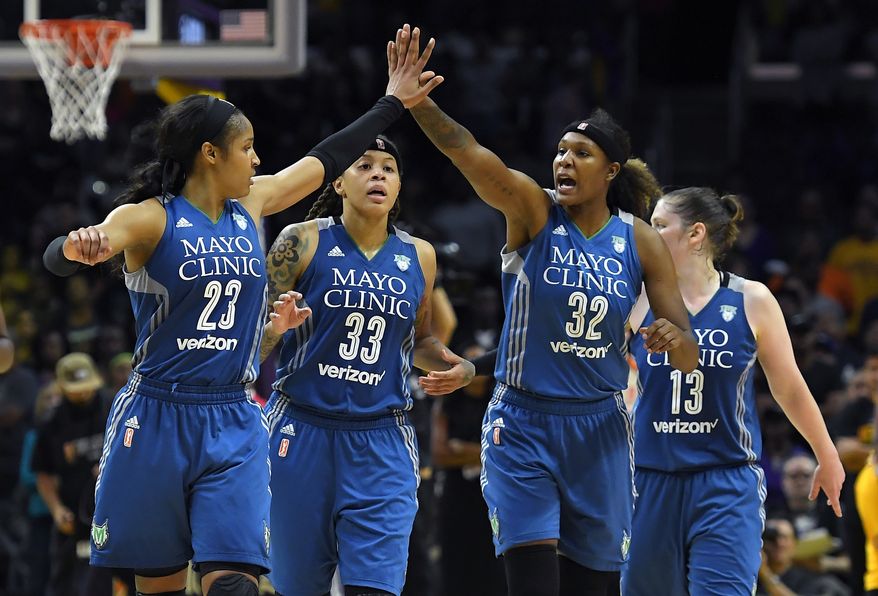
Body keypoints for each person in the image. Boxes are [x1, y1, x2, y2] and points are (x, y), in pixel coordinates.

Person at [41, 24, 442, 596]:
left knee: (235, 582)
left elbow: (326, 159)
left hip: (232, 414)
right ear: (210, 154)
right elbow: (71, 251)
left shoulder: (252, 204)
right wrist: (77, 247)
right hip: (157, 412)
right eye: (247, 148)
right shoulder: (151, 218)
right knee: (158, 584)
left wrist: (392, 103)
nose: (257, 158)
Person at [408, 78, 699, 594]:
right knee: (533, 581)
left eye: (581, 154)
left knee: (594, 587)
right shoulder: (533, 211)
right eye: (560, 151)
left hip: (600, 431)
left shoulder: (640, 240)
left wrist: (669, 338)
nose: (563, 162)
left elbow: (688, 353)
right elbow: (468, 152)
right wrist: (417, 103)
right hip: (522, 425)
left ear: (610, 171)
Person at [260, 131, 474, 596]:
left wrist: (459, 366)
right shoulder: (300, 241)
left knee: (374, 588)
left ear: (397, 187)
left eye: (388, 168)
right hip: (301, 431)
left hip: (380, 437)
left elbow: (419, 341)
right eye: (363, 164)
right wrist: (276, 330)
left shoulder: (420, 255)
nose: (377, 173)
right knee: (296, 588)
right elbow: (250, 345)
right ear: (337, 182)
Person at [623, 187, 845, 595]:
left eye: (659, 226)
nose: (647, 235)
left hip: (725, 480)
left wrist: (826, 453)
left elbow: (790, 387)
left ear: (695, 234)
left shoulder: (752, 299)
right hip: (649, 478)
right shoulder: (636, 298)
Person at [32, 353, 112, 596]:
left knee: (119, 581)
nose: (83, 393)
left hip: (116, 515)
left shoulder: (114, 406)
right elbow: (43, 473)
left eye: (86, 387)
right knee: (66, 584)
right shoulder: (52, 422)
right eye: (76, 389)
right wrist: (56, 510)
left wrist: (112, 470)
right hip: (73, 519)